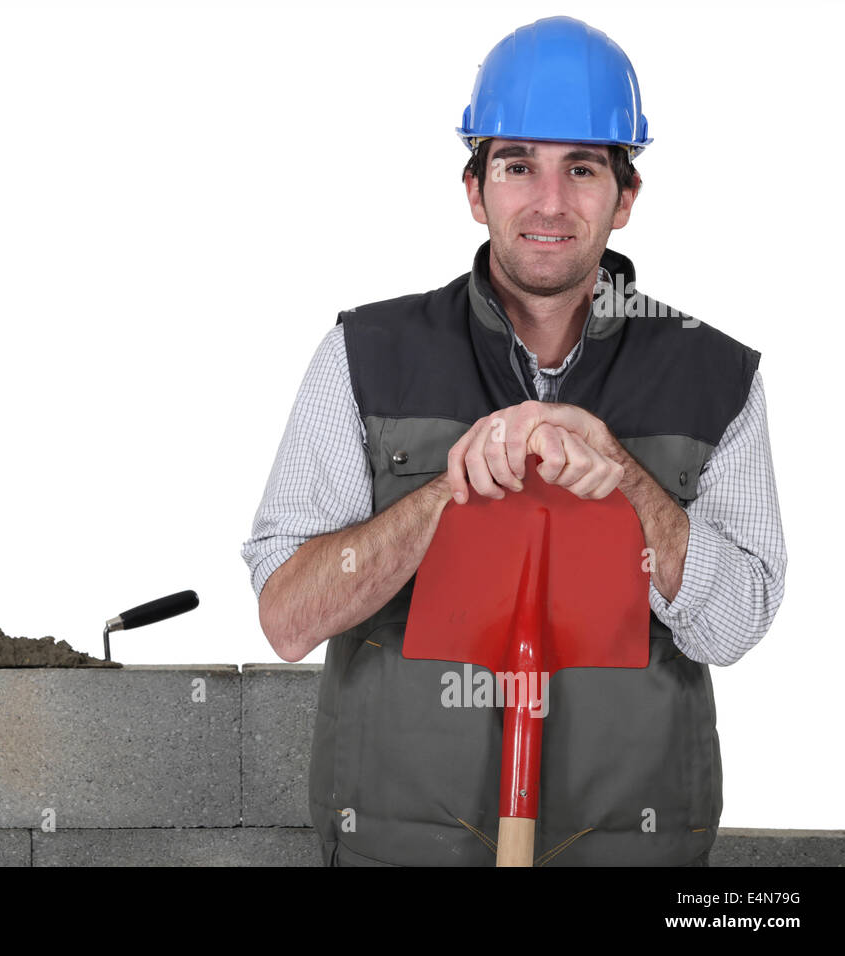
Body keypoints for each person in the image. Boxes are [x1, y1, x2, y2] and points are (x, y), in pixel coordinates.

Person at [239, 15, 786, 867]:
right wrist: (448, 496)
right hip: (400, 853)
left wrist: (629, 483)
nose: (549, 202)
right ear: (474, 188)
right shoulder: (367, 356)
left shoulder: (715, 380)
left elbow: (738, 623)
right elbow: (287, 616)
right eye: (517, 164)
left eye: (583, 168)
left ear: (626, 197)